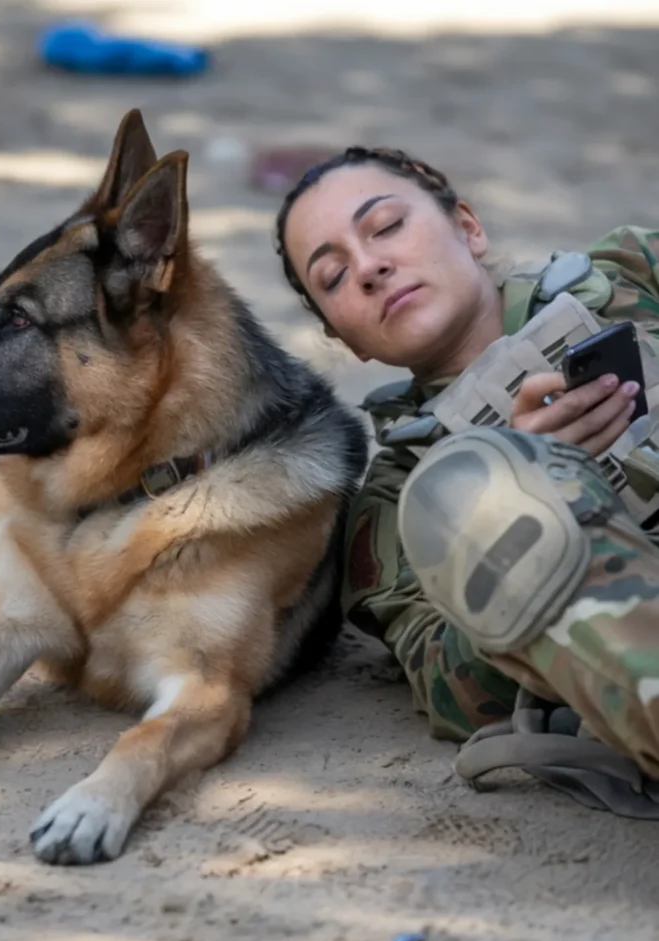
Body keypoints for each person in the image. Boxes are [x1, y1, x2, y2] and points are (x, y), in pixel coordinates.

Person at [273, 145, 659, 815]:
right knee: (469, 493)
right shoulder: (399, 500)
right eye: (332, 276)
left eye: (386, 226)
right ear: (346, 340)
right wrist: (535, 499)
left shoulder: (631, 268)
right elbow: (456, 693)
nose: (368, 267)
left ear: (467, 228)